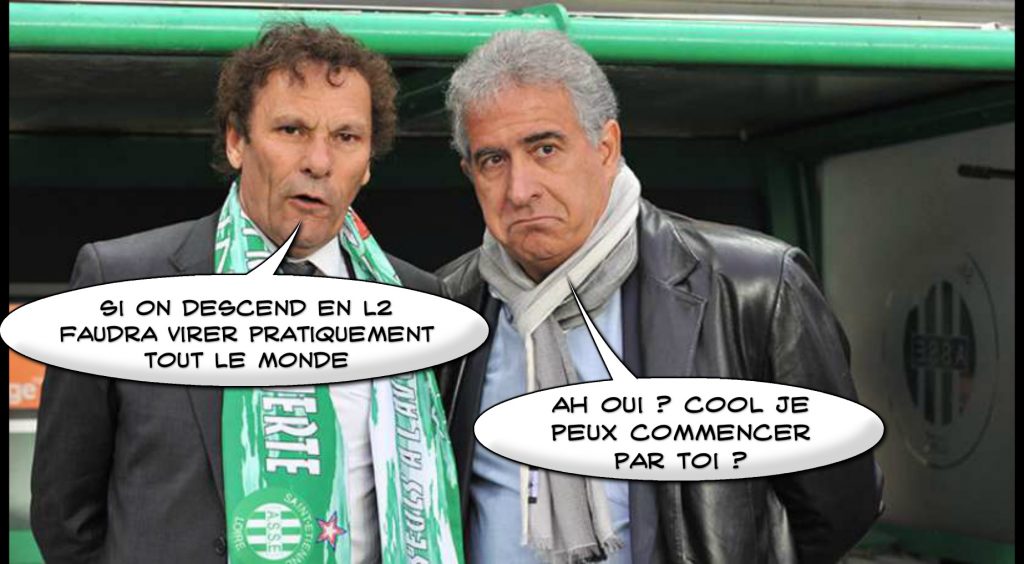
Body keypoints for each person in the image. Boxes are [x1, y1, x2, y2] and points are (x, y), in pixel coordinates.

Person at [437, 30, 882, 564]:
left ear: (606, 148)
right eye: (493, 160)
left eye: (545, 149)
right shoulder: (450, 305)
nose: (520, 189)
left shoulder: (753, 287)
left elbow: (840, 506)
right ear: (470, 174)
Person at [31, 23, 462, 564]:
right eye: (292, 129)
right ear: (237, 141)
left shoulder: (422, 301)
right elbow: (65, 517)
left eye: (346, 137)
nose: (319, 162)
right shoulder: (122, 280)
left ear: (369, 161)